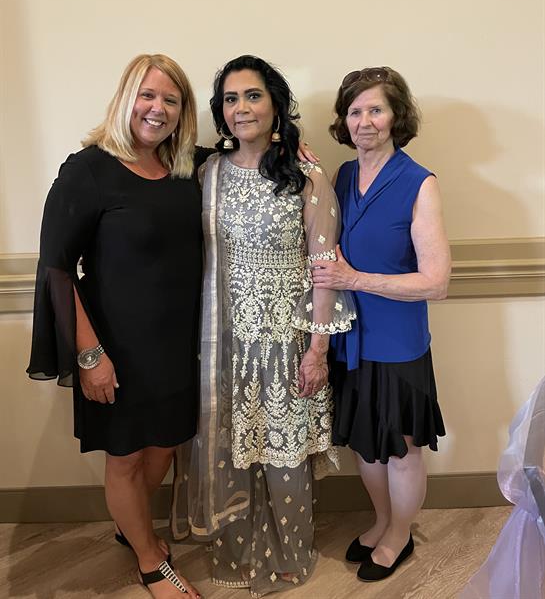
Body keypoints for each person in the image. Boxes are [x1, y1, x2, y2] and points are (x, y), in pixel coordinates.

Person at [27, 54, 210, 599]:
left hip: (177, 347)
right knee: (127, 456)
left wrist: (289, 145)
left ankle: (132, 527)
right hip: (116, 348)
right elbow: (57, 269)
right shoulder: (88, 170)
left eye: (171, 100)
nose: (157, 109)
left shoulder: (186, 169)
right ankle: (150, 561)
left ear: (182, 112)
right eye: (147, 95)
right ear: (126, 98)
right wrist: (89, 356)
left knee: (165, 446)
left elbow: (245, 151)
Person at [187, 55, 355, 596]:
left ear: (276, 104)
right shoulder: (207, 174)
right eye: (230, 99)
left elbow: (324, 269)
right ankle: (236, 549)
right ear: (220, 111)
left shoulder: (306, 176)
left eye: (253, 95)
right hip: (225, 343)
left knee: (284, 453)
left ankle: (289, 549)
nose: (242, 108)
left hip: (285, 341)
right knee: (233, 447)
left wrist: (317, 350)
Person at [312, 66, 451, 582]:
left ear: (397, 117)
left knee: (401, 449)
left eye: (376, 109)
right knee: (365, 443)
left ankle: (400, 535)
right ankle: (382, 522)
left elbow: (436, 282)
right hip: (350, 339)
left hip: (398, 344)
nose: (364, 121)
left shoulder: (419, 183)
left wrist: (354, 278)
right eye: (355, 111)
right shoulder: (344, 176)